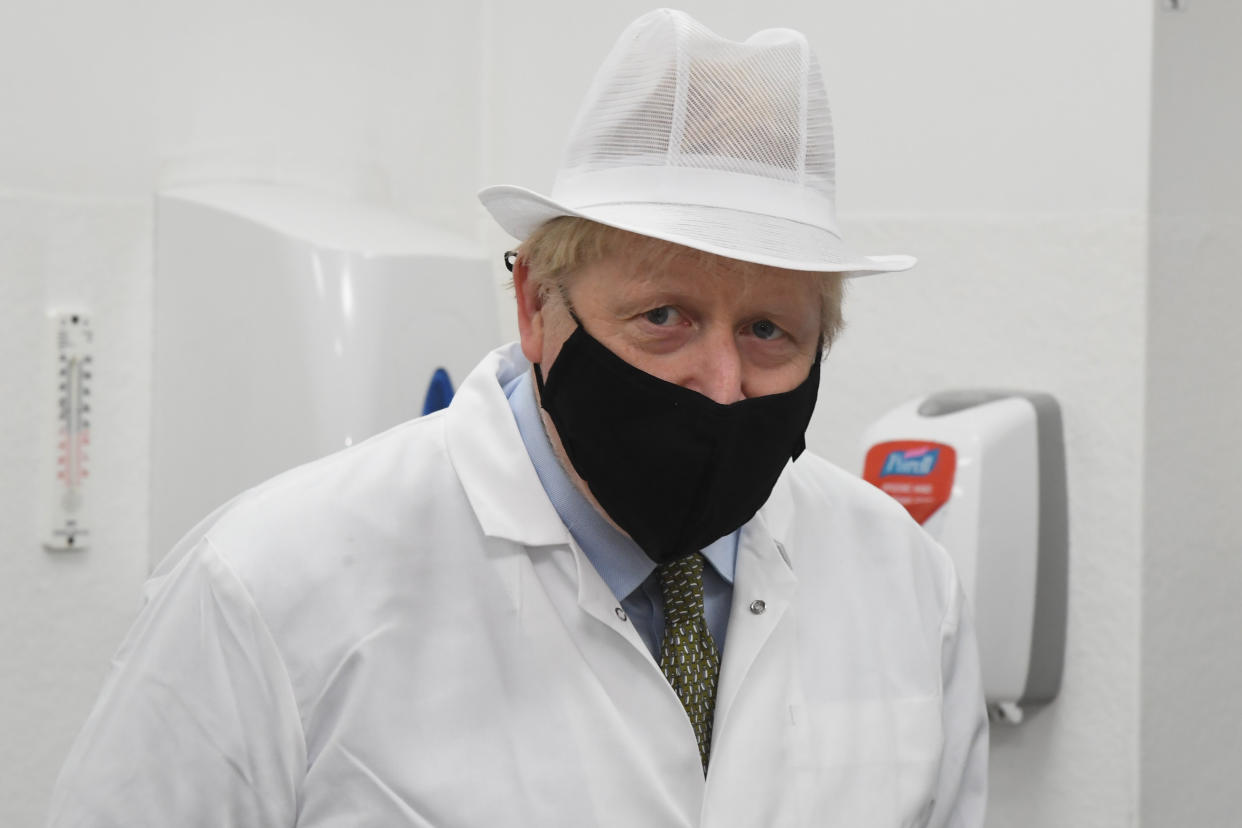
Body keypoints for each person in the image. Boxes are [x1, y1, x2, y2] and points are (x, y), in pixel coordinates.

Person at [48, 9, 987, 827]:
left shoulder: (903, 584)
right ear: (538, 303)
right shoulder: (273, 585)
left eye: (771, 332)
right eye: (665, 317)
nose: (721, 383)